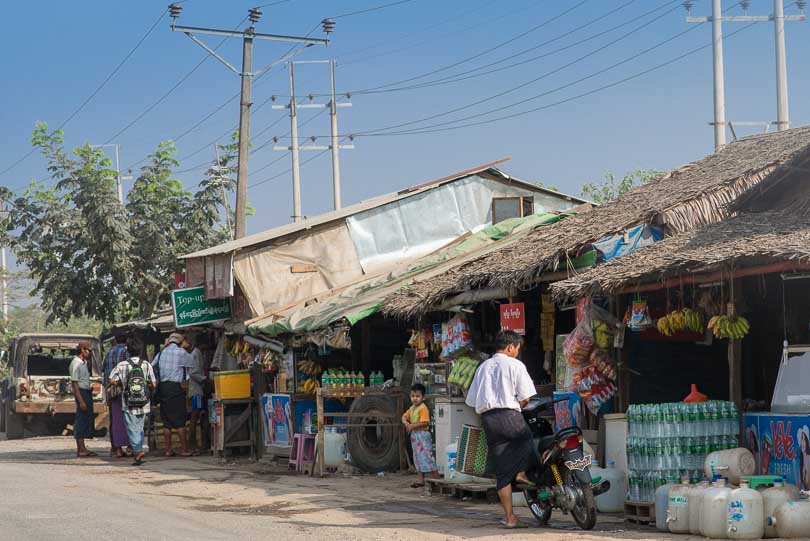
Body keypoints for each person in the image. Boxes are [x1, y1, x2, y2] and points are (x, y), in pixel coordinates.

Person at [465, 330, 536, 529]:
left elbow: (472, 400)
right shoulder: (515, 365)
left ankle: (510, 518)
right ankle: (521, 473)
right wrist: (519, 404)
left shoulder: (483, 367)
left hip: (489, 420)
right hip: (510, 415)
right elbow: (526, 396)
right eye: (517, 349)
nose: (517, 353)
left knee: (502, 471)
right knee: (526, 439)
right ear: (510, 347)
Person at [110, 343, 157, 466]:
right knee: (140, 428)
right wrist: (145, 387)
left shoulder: (122, 365)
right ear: (141, 351)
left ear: (128, 352)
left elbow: (111, 380)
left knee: (131, 429)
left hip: (128, 401)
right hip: (143, 401)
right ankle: (138, 453)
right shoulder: (147, 364)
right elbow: (154, 383)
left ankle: (138, 450)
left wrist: (122, 385)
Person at [152, 332, 194, 457]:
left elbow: (153, 365)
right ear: (180, 342)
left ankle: (168, 450)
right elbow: (192, 365)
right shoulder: (182, 353)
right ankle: (184, 449)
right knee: (180, 420)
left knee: (167, 422)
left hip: (163, 388)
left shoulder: (161, 353)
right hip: (175, 388)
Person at [402, 383, 440, 488]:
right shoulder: (412, 408)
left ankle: (438, 479)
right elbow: (403, 417)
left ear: (423, 398)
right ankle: (420, 481)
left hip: (422, 435)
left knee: (427, 457)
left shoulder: (423, 408)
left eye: (417, 396)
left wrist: (412, 426)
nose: (415, 399)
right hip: (415, 436)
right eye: (413, 396)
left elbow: (425, 422)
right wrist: (406, 423)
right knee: (417, 458)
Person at [103, 334, 132, 458]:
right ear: (126, 340)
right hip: (124, 389)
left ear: (115, 340)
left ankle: (117, 448)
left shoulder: (109, 353)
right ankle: (130, 447)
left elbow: (105, 372)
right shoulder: (126, 352)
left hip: (111, 390)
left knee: (115, 419)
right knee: (129, 418)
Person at [69, 341, 97, 458]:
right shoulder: (76, 363)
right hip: (81, 392)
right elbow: (75, 384)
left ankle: (83, 447)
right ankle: (80, 448)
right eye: (89, 350)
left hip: (86, 391)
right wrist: (81, 401)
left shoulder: (83, 363)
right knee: (81, 419)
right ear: (83, 350)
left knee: (86, 419)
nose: (90, 353)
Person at [182, 337, 209, 454]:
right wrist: (205, 379)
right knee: (195, 416)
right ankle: (192, 443)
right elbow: (193, 373)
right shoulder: (195, 354)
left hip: (196, 389)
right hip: (197, 390)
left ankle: (197, 443)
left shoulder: (194, 353)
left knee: (198, 416)